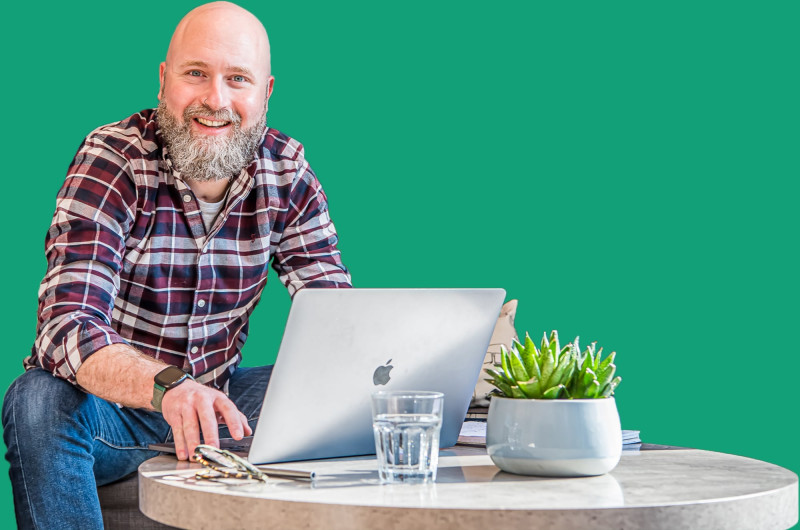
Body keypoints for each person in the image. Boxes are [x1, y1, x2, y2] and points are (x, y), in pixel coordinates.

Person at [2, 2, 351, 528]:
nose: (216, 100)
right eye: (196, 74)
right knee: (36, 402)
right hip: (111, 418)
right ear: (164, 80)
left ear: (266, 92)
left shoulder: (288, 170)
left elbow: (335, 317)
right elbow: (65, 328)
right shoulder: (114, 159)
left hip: (220, 407)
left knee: (354, 394)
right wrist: (168, 388)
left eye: (238, 79)